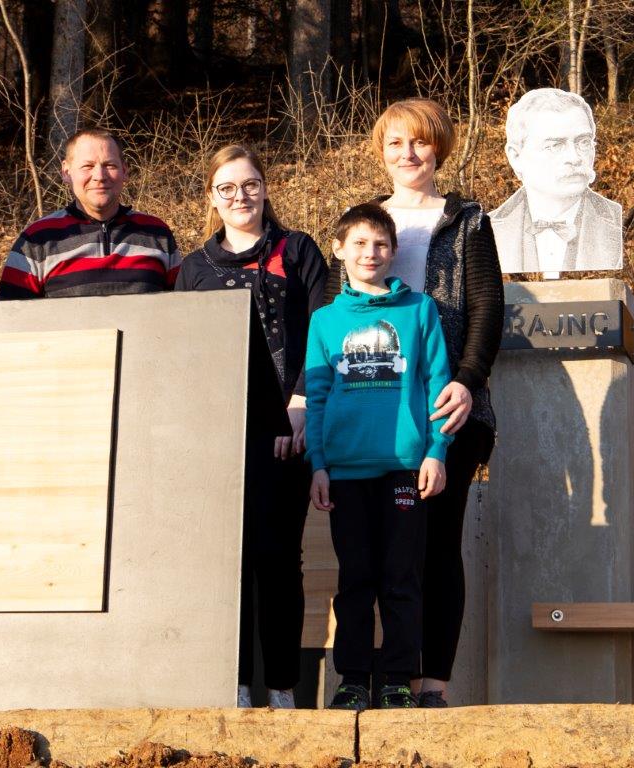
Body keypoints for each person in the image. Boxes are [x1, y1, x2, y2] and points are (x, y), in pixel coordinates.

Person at [175, 144, 327, 709]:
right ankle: (234, 687)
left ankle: (284, 688)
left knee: (279, 558)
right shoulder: (194, 268)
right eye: (227, 188)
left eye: (250, 184)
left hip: (287, 430)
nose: (240, 196)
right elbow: (185, 354)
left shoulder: (298, 250)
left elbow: (323, 330)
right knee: (228, 563)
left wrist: (302, 404)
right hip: (219, 437)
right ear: (212, 198)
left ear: (265, 188)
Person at [368, 98, 503, 707]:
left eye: (420, 142)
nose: (408, 154)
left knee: (440, 545)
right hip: (379, 408)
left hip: (451, 405)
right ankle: (393, 676)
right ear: (382, 152)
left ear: (439, 148)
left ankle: (433, 686)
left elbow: (488, 308)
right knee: (390, 550)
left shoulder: (467, 220)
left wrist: (468, 380)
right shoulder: (364, 221)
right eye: (396, 143)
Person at [305, 203, 452, 711]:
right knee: (355, 579)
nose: (371, 253)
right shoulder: (325, 321)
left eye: (381, 244)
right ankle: (352, 679)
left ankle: (396, 680)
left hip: (405, 469)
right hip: (346, 470)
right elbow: (317, 397)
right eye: (360, 244)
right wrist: (318, 465)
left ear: (394, 252)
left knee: (401, 578)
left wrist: (436, 451)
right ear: (339, 250)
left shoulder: (420, 310)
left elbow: (438, 384)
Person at [0, 128, 181, 298]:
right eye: (87, 166)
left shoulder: (157, 233)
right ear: (66, 172)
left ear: (125, 171)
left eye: (110, 165)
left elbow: (181, 310)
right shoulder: (37, 239)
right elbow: (11, 316)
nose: (99, 176)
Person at [491, 88, 623, 274]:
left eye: (583, 142)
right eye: (554, 146)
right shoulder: (486, 230)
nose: (574, 158)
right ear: (516, 157)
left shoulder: (621, 222)